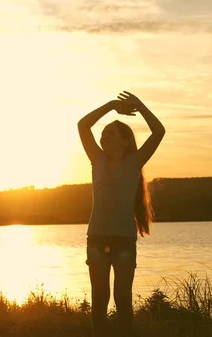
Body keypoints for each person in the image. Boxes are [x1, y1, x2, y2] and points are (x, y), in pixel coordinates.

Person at [77, 91, 165, 336]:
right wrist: (112, 105)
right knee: (100, 300)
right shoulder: (97, 159)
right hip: (97, 239)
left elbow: (159, 132)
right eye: (103, 134)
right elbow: (83, 125)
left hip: (124, 241)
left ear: (125, 141)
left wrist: (141, 106)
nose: (104, 137)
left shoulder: (134, 161)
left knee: (123, 299)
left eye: (110, 133)